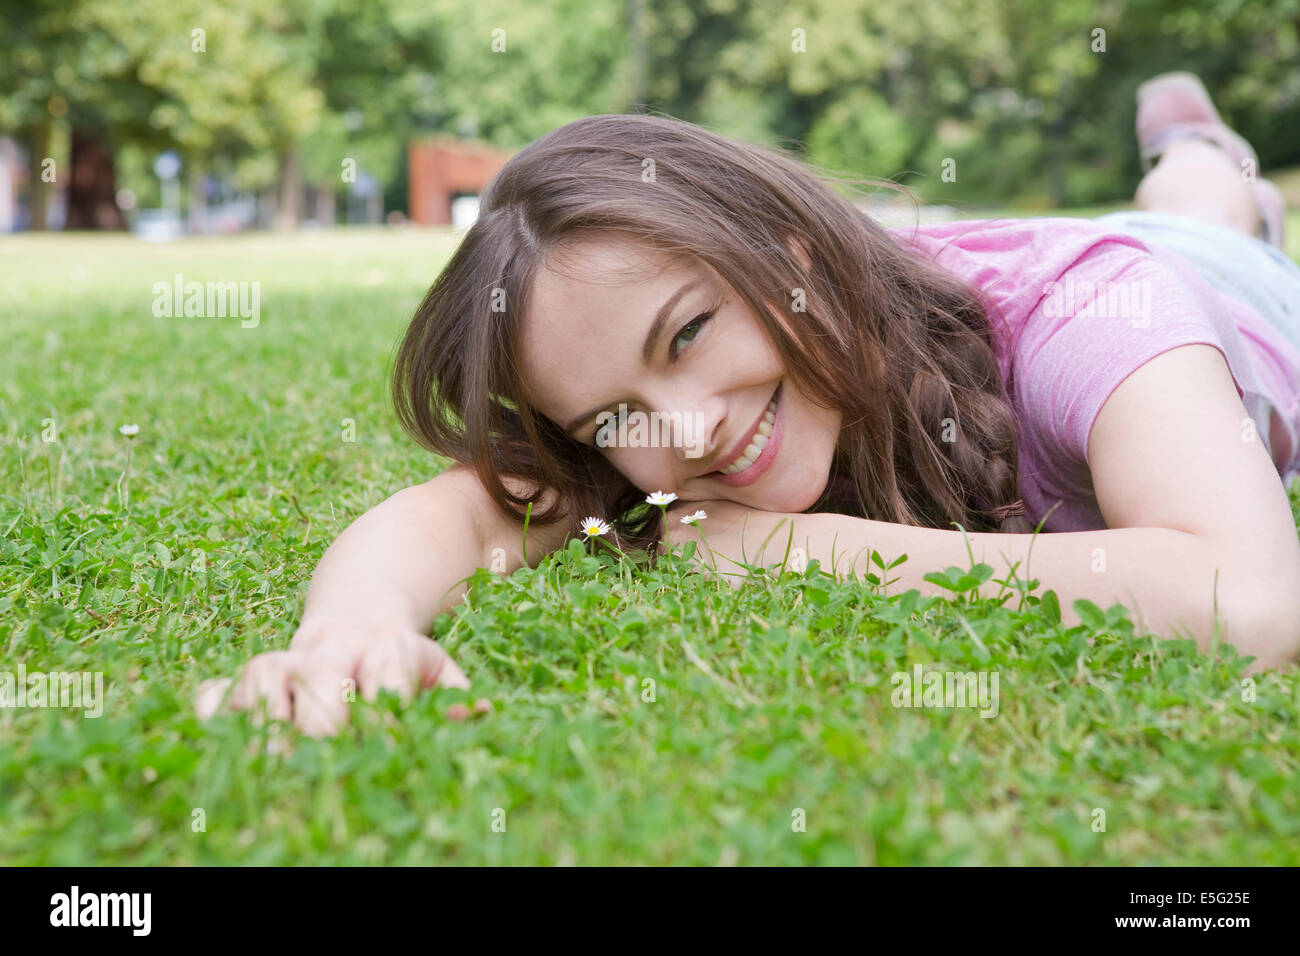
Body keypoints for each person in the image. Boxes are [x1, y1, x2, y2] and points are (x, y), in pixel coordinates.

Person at [198, 72, 1300, 736]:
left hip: (1200, 282)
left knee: (1200, 215)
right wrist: (348, 630)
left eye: (686, 332)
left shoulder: (1091, 313)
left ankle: (1202, 159)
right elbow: (469, 511)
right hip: (911, 282)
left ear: (788, 249)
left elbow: (1249, 606)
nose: (687, 431)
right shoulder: (658, 441)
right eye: (613, 417)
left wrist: (801, 547)